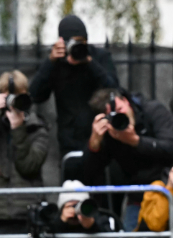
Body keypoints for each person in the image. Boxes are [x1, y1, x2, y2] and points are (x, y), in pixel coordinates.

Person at [29, 15, 118, 181]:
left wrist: (89, 62)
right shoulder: (57, 63)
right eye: (73, 42)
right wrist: (50, 62)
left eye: (81, 42)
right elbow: (35, 95)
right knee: (72, 194)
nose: (78, 47)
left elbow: (113, 87)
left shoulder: (98, 57)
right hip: (70, 141)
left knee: (102, 194)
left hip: (101, 136)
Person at [84, 88, 173, 231]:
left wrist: (136, 141)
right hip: (138, 195)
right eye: (114, 115)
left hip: (170, 189)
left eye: (120, 108)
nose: (120, 116)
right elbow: (89, 172)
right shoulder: (110, 133)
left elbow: (172, 148)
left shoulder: (153, 110)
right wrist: (93, 144)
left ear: (126, 101)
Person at [0, 71, 50, 238]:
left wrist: (18, 128)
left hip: (27, 217)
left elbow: (28, 166)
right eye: (6, 95)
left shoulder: (37, 128)